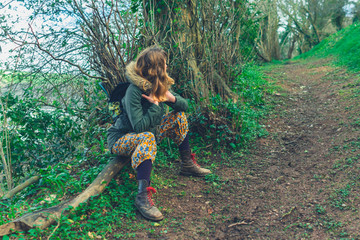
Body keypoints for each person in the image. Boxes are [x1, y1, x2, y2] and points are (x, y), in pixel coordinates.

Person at [107, 46, 211, 221]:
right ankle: (141, 197)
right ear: (154, 69)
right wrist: (155, 107)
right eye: (164, 65)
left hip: (149, 132)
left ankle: (187, 164)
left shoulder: (157, 84)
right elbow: (139, 127)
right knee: (146, 137)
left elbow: (185, 106)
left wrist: (170, 98)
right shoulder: (133, 90)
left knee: (178, 116)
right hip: (122, 138)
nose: (167, 68)